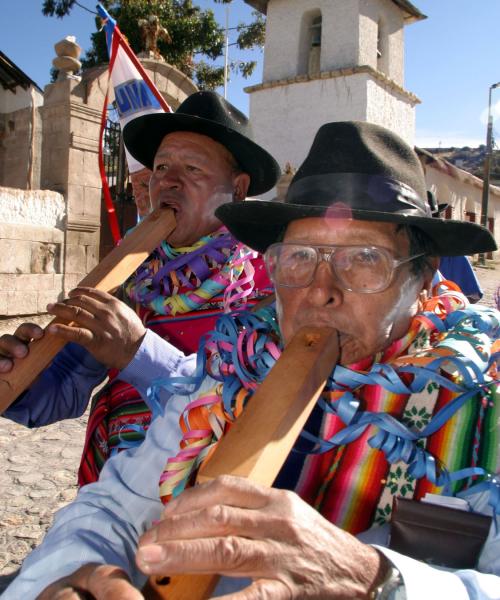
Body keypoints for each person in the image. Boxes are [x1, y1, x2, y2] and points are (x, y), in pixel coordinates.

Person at [4, 121, 499, 599]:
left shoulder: (486, 395)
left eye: (363, 258)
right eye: (301, 257)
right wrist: (69, 570)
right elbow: (119, 504)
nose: (320, 292)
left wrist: (379, 580)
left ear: (423, 275)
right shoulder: (236, 363)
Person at [0, 91, 280, 484]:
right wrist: (21, 374)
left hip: (206, 500)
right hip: (111, 487)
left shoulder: (272, 281)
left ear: (238, 188)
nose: (168, 181)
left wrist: (137, 351)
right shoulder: (130, 272)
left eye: (193, 169)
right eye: (162, 166)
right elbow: (60, 392)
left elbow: (256, 409)